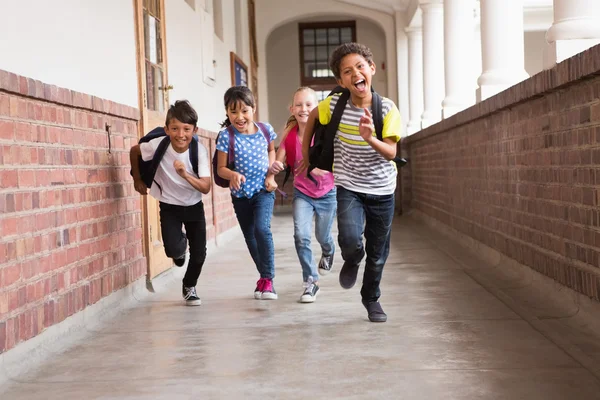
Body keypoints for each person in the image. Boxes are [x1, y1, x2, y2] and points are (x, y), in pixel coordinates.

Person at [299, 43, 402, 322]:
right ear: (340, 80)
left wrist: (370, 138)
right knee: (350, 239)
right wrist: (307, 155)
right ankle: (353, 258)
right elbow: (310, 119)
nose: (355, 73)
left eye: (360, 66)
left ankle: (371, 299)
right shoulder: (333, 105)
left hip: (382, 190)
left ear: (371, 69)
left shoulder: (387, 109)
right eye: (347, 71)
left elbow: (392, 152)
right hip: (349, 186)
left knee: (378, 253)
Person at [130, 100, 211, 306]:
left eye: (186, 129)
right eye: (174, 128)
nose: (180, 134)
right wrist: (137, 179)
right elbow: (134, 151)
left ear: (195, 130)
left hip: (193, 205)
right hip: (169, 205)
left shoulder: (199, 151)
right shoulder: (159, 144)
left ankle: (189, 286)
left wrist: (185, 175)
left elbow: (205, 187)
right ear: (166, 129)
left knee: (199, 254)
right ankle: (179, 248)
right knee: (172, 251)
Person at [269, 87, 336, 303]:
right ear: (292, 108)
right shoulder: (289, 133)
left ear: (317, 108)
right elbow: (279, 160)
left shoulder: (324, 132)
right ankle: (311, 282)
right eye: (298, 105)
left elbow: (338, 160)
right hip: (303, 193)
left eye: (308, 104)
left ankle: (328, 250)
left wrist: (319, 168)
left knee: (322, 236)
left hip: (327, 192)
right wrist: (276, 167)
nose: (303, 109)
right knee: (301, 235)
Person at [215, 86, 279, 300]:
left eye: (244, 111)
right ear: (227, 112)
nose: (239, 117)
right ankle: (263, 276)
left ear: (253, 108)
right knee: (250, 237)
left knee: (262, 229)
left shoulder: (265, 129)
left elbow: (272, 150)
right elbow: (220, 169)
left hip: (263, 190)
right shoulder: (226, 136)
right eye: (233, 112)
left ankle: (268, 279)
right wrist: (232, 175)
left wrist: (271, 173)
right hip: (240, 194)